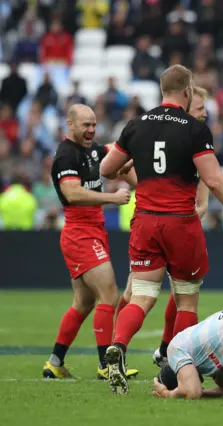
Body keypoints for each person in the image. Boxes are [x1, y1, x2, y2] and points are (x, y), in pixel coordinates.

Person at [99, 65, 223, 395]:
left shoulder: (135, 125)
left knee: (142, 297)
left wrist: (128, 165)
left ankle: (118, 347)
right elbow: (215, 180)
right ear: (187, 90)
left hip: (145, 221)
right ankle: (174, 371)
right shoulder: (194, 130)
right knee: (187, 303)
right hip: (180, 223)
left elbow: (108, 167)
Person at [112, 86, 213, 369]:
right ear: (186, 103)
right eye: (200, 108)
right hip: (173, 223)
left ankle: (158, 348)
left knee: (158, 294)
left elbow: (202, 197)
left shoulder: (193, 141)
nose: (204, 114)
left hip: (151, 222)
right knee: (167, 296)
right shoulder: (188, 134)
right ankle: (160, 354)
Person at [43, 104, 136, 380]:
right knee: (109, 293)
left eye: (94, 124)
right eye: (85, 125)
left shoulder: (93, 149)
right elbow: (72, 193)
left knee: (83, 303)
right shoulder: (65, 156)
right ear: (69, 124)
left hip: (93, 229)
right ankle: (107, 366)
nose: (91, 130)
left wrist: (132, 170)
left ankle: (54, 363)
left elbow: (116, 163)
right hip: (79, 232)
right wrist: (112, 198)